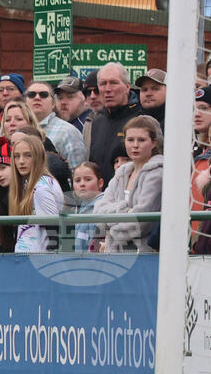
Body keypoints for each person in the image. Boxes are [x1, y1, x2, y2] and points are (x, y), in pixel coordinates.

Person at [95, 116, 164, 253]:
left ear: (154, 143)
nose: (135, 145)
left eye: (142, 140)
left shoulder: (158, 172)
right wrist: (125, 209)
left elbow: (142, 220)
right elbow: (98, 211)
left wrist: (112, 231)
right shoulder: (122, 172)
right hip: (114, 253)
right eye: (130, 140)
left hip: (145, 255)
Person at [86, 62, 143, 186]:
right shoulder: (97, 121)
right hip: (101, 200)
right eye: (102, 84)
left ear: (127, 87)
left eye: (113, 83)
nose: (107, 89)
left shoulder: (141, 119)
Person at [9, 135, 63, 253]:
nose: (21, 161)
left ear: (38, 157)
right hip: (27, 258)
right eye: (17, 156)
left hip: (37, 260)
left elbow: (54, 231)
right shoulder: (31, 184)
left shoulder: (41, 188)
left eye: (28, 155)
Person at [24, 81, 85, 170]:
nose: (37, 98)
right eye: (31, 94)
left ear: (53, 104)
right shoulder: (17, 128)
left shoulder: (68, 132)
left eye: (43, 94)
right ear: (25, 102)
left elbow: (77, 171)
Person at [70, 162, 105, 253]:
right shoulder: (77, 209)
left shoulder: (104, 208)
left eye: (88, 179)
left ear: (100, 183)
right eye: (77, 180)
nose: (82, 184)